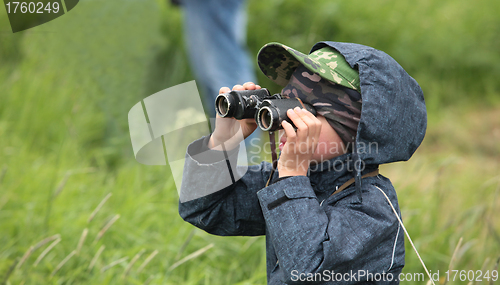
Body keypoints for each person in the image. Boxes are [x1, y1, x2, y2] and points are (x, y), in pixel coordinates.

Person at [178, 41, 427, 284]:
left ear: (356, 132)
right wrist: (222, 142)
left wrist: (292, 176)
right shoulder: (296, 179)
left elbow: (308, 270)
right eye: (286, 104)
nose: (288, 122)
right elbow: (204, 209)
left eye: (309, 112)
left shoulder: (373, 211)